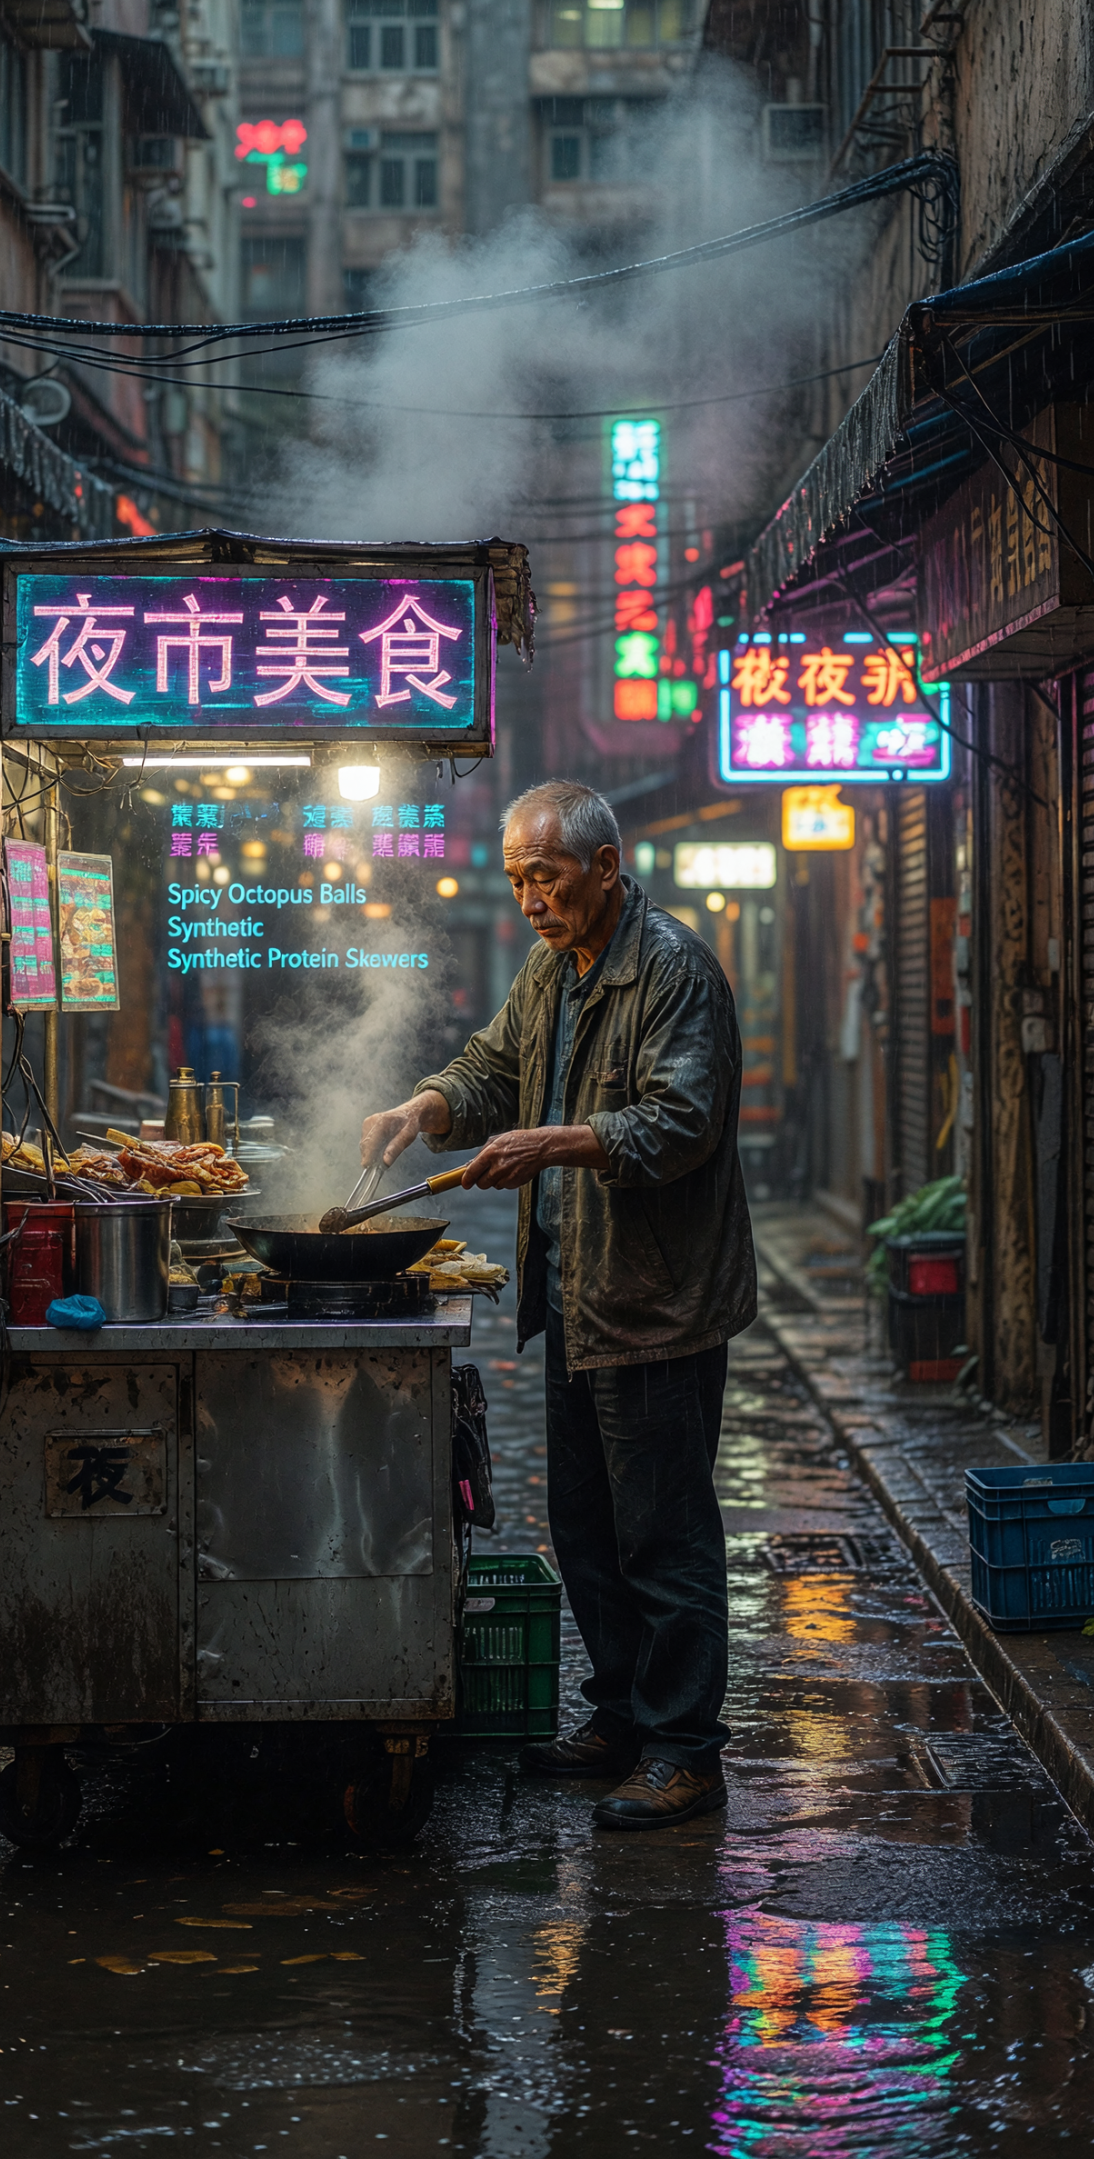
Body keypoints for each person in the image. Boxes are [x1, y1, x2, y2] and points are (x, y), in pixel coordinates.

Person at [362, 779, 755, 1831]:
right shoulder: (551, 971)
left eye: (547, 875)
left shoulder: (673, 972)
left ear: (605, 868)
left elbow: (681, 1124)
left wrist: (560, 1140)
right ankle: (621, 1715)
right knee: (585, 1529)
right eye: (518, 880)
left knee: (662, 1538)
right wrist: (425, 1105)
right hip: (575, 1296)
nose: (532, 897)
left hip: (656, 1305)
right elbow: (493, 1068)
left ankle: (683, 1750)